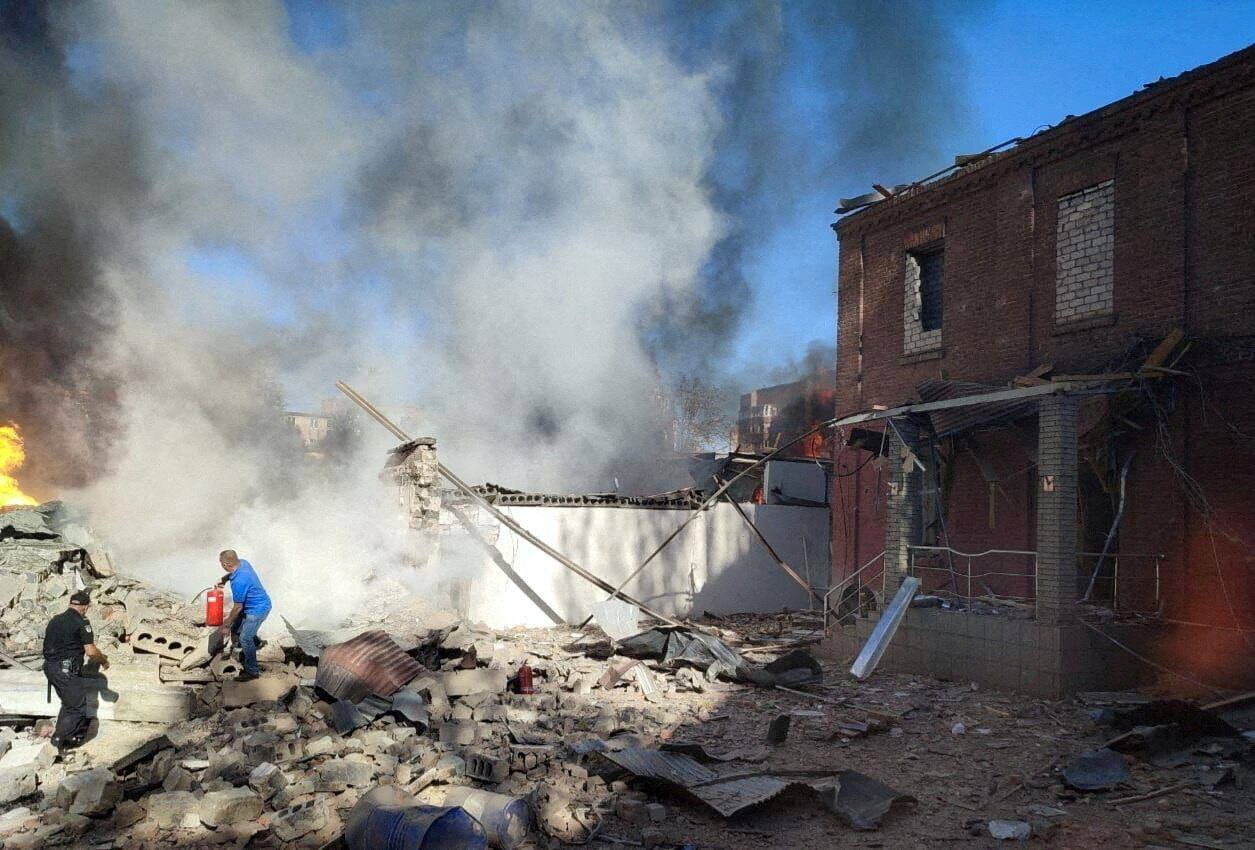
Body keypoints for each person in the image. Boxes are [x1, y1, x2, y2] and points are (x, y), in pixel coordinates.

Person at [42, 590, 109, 752]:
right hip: (66, 670)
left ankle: (65, 738)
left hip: (50, 668)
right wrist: (104, 661)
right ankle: (57, 742)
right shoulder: (82, 621)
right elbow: (91, 651)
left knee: (68, 703)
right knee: (78, 707)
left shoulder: (55, 620)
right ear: (86, 607)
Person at [216, 549, 272, 682]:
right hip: (254, 604)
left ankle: (252, 671)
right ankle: (255, 643)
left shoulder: (239, 582)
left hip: (257, 610)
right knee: (237, 628)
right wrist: (225, 579)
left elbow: (237, 608)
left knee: (246, 638)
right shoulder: (243, 563)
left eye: (221, 563)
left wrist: (226, 625)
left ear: (226, 565)